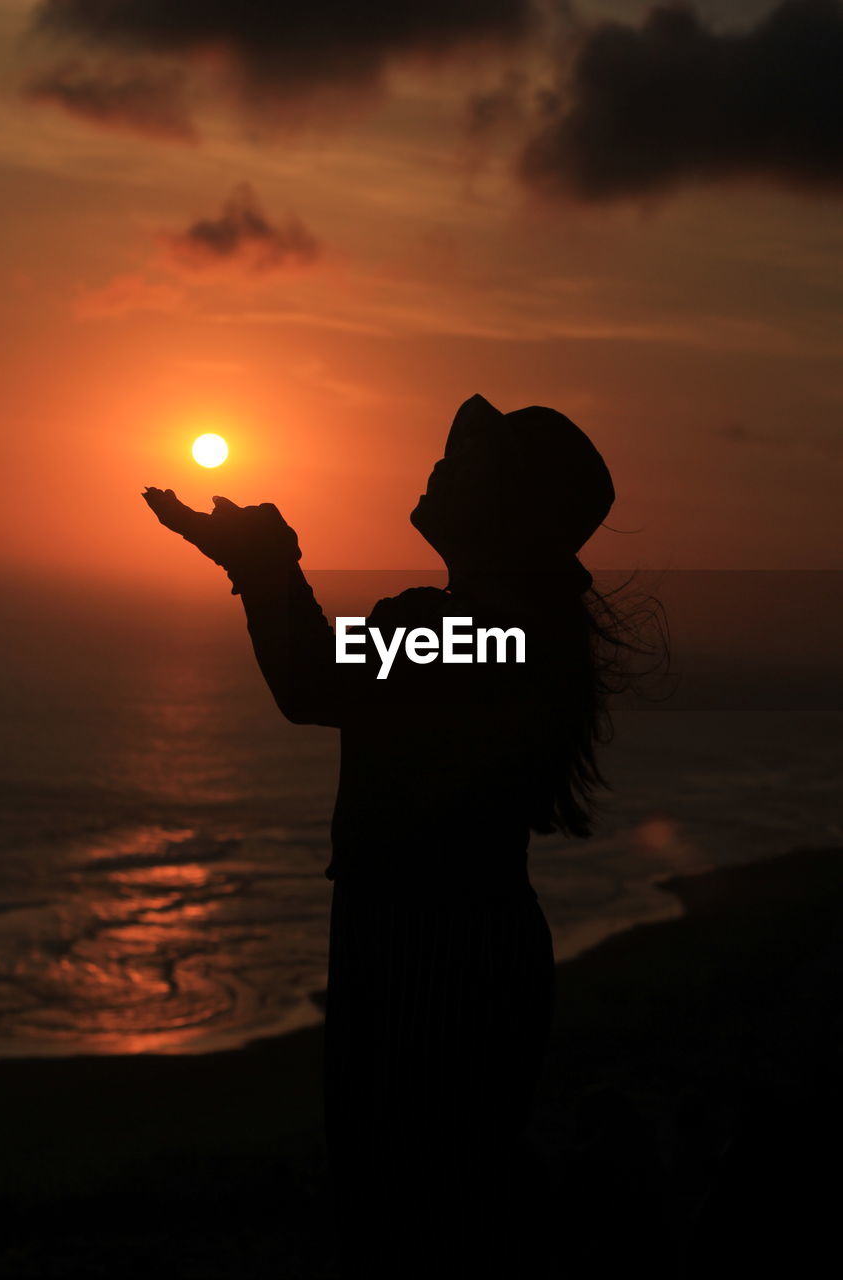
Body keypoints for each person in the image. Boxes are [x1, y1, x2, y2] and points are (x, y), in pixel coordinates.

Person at [143, 393, 619, 1278]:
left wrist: (265, 561)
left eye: (470, 458)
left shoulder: (472, 637)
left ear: (507, 509)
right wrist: (265, 566)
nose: (442, 462)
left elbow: (311, 680)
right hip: (460, 941)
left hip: (426, 952)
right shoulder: (512, 637)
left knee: (416, 1215)